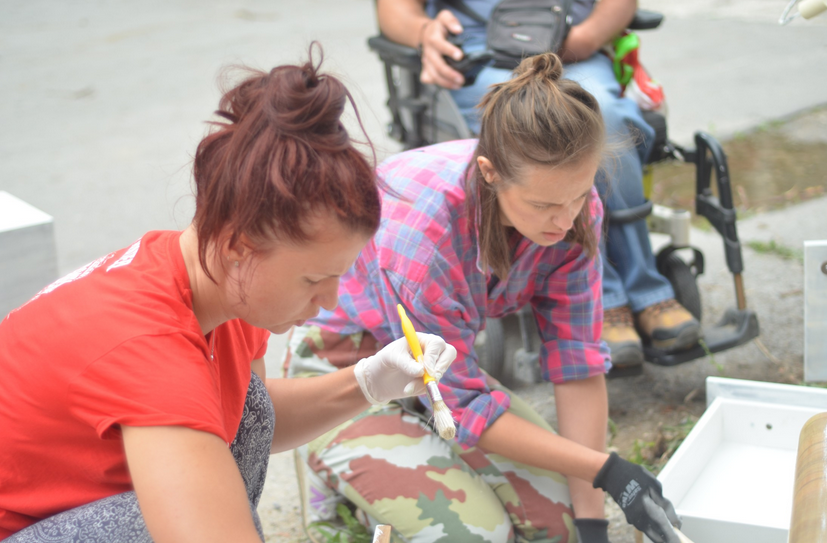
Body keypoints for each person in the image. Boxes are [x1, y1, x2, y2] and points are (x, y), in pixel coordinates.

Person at [0, 49, 457, 543]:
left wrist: (368, 382)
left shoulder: (211, 277)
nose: (328, 301)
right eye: (312, 280)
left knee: (250, 414)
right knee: (149, 528)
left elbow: (238, 415)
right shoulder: (147, 348)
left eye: (337, 277)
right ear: (240, 245)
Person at [286, 53, 681, 543]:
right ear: (490, 173)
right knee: (477, 535)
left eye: (578, 195)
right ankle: (338, 480)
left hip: (444, 365)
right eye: (543, 205)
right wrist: (608, 471)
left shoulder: (575, 212)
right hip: (349, 371)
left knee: (561, 525)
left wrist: (593, 525)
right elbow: (461, 402)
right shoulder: (422, 237)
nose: (565, 220)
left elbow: (576, 361)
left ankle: (404, 471)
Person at [376, 0, 702, 371]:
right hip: (480, 55)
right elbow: (394, 9)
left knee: (603, 119)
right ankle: (606, 298)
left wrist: (585, 37)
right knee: (525, 135)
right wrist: (423, 32)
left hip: (574, 45)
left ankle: (645, 288)